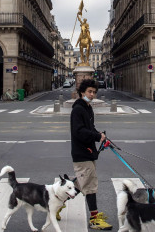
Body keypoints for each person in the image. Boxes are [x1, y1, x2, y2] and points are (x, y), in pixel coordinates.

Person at [65, 78, 112, 229]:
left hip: (88, 152)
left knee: (80, 184)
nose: (92, 95)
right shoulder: (78, 109)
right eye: (89, 92)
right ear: (82, 93)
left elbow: (90, 128)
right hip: (82, 153)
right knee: (90, 185)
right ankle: (94, 219)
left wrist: (100, 135)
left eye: (94, 92)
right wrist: (97, 137)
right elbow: (79, 132)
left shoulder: (87, 108)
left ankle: (56, 205)